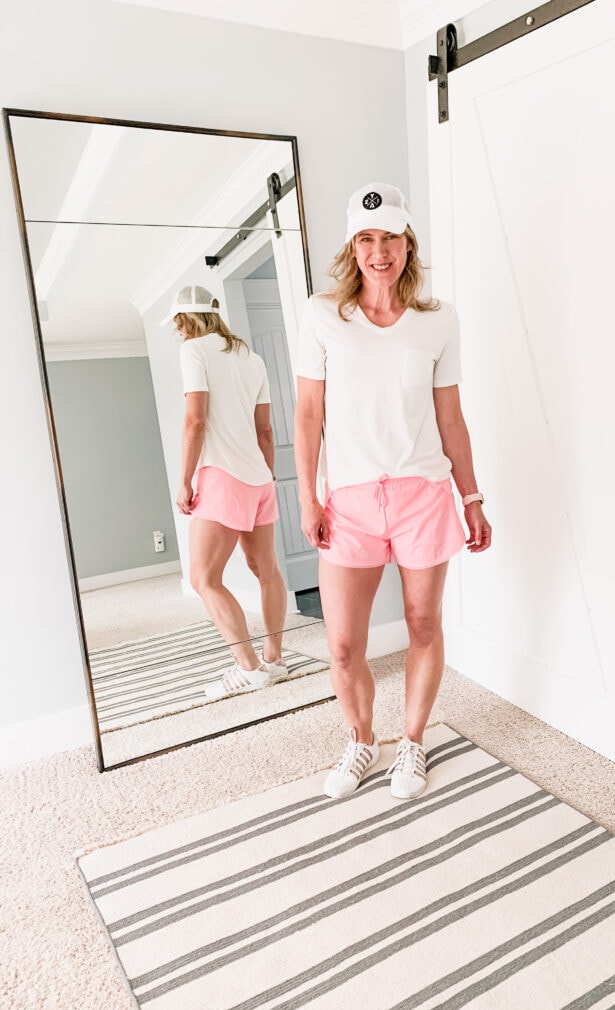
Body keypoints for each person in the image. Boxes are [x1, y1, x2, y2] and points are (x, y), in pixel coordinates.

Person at [294, 182, 491, 801]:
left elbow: (450, 416)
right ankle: (361, 740)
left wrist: (472, 498)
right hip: (349, 502)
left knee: (423, 623)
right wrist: (307, 496)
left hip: (423, 495)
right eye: (367, 239)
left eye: (391, 239)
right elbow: (308, 414)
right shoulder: (323, 315)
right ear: (352, 248)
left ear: (409, 244)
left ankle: (411, 741)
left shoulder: (439, 320)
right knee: (343, 644)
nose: (379, 252)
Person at [163, 284, 288, 699]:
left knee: (203, 577)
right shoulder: (250, 358)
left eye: (178, 323)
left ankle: (249, 668)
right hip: (259, 478)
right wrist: (266, 478)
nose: (178, 331)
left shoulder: (193, 351)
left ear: (186, 320)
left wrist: (185, 480)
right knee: (267, 571)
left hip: (222, 476)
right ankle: (274, 659)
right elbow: (265, 430)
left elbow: (195, 421)